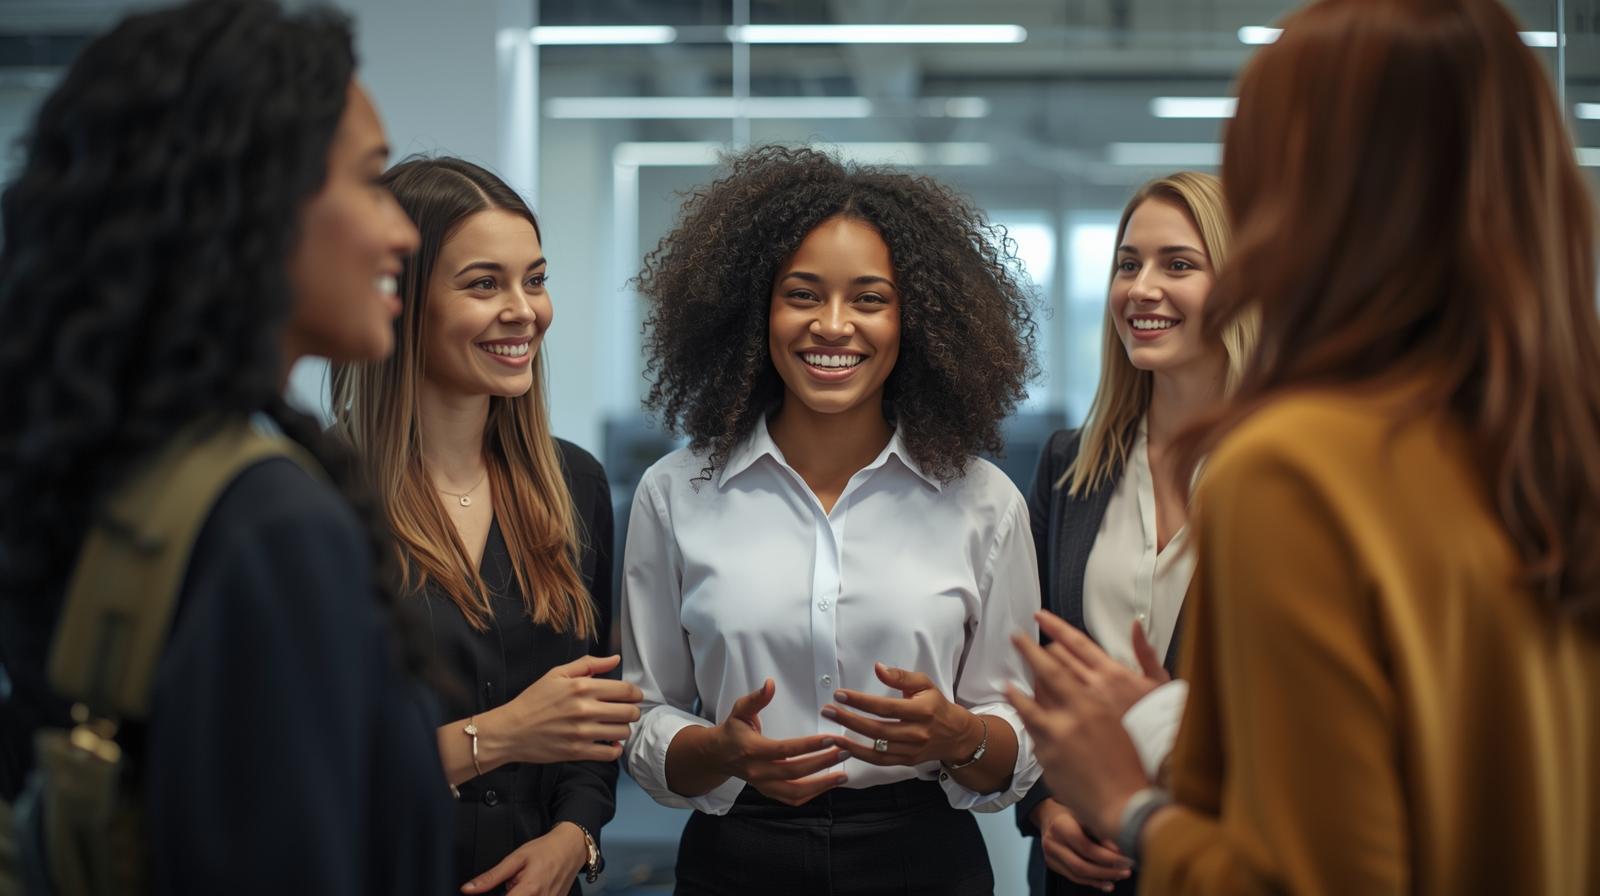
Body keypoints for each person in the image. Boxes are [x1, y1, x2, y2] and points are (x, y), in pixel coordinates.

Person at [1009, 0, 1600, 893]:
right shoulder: (1549, 447)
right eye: (1128, 262)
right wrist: (1172, 725)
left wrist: (1131, 805)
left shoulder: (1298, 470)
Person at [0, 0, 455, 891]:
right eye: (369, 182)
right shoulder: (272, 527)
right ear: (256, 198)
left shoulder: (118, 473)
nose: (400, 231)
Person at [620, 144, 1043, 895]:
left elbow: (1015, 735)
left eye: (871, 299)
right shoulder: (676, 492)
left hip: (924, 860)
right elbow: (643, 716)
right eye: (803, 294)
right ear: (756, 311)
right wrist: (717, 752)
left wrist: (962, 735)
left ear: (918, 321)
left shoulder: (984, 502)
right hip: (735, 858)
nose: (834, 325)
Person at [331, 156, 639, 896]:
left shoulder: (574, 486)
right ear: (401, 300)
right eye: (483, 284)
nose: (524, 310)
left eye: (534, 279)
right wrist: (497, 737)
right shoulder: (317, 498)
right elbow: (294, 761)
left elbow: (590, 727)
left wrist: (575, 837)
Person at [1013, 171, 1256, 896]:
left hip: (1227, 856)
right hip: (1086, 866)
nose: (1140, 289)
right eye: (1128, 264)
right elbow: (1032, 666)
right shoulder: (1068, 465)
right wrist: (1044, 805)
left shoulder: (1283, 479)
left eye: (1178, 264)